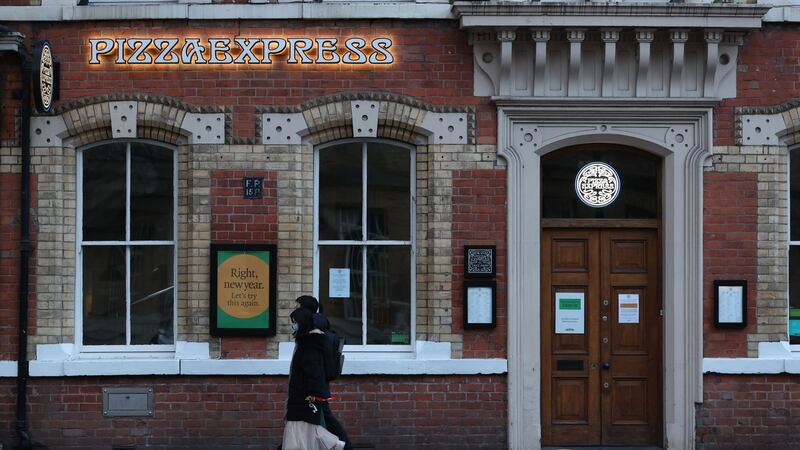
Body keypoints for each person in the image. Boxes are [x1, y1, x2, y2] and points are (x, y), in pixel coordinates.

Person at [286, 299, 352, 450]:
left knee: (315, 425)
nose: (293, 324)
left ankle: (343, 446)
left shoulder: (311, 334)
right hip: (314, 386)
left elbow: (313, 366)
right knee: (312, 424)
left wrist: (314, 391)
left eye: (298, 306)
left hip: (312, 388)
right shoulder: (316, 328)